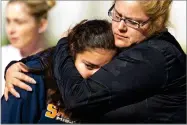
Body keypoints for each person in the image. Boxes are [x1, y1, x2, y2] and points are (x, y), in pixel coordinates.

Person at [4, 0, 186, 123]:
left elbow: (79, 97)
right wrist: (21, 66)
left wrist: (62, 43)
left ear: (157, 21)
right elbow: (86, 46)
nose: (120, 27)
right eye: (117, 15)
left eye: (133, 22)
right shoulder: (133, 39)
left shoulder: (155, 55)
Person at [1, 19, 117, 123]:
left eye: (106, 69)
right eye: (89, 66)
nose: (97, 75)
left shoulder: (119, 88)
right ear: (72, 54)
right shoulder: (28, 81)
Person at [1, 0, 56, 96]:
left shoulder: (57, 63)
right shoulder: (2, 55)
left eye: (19, 22)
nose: (10, 29)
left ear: (42, 25)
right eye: (8, 21)